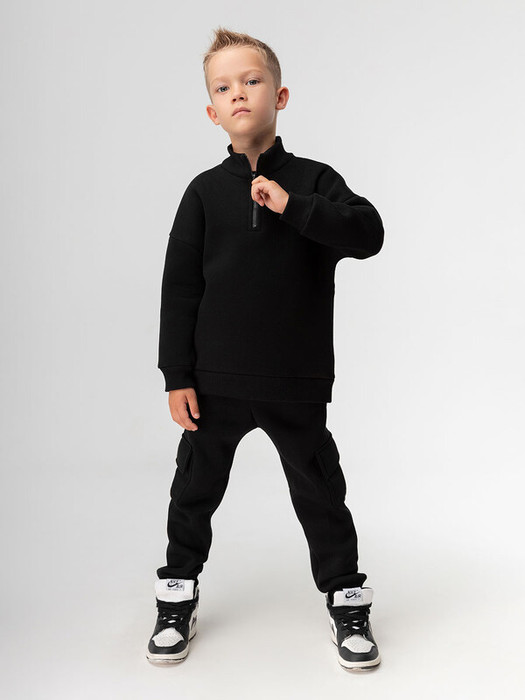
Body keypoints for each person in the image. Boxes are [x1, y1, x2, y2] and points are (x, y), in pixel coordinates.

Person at [146, 26, 385, 671]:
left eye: (252, 81)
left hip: (294, 380)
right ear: (212, 111)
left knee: (320, 493)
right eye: (224, 87)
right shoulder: (203, 192)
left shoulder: (314, 181)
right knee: (193, 492)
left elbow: (368, 233)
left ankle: (346, 598)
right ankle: (177, 591)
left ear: (279, 96)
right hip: (214, 383)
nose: (239, 93)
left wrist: (295, 207)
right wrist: (177, 375)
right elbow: (179, 288)